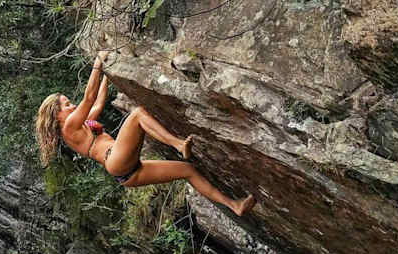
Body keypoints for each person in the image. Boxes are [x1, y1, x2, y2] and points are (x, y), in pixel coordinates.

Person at [34, 51, 255, 216]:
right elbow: (89, 96)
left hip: (126, 173)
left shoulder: (81, 123)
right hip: (115, 160)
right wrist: (98, 62)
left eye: (69, 103)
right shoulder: (69, 127)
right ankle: (178, 144)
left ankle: (234, 205)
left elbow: (99, 101)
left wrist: (108, 72)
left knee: (188, 170)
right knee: (138, 114)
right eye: (66, 105)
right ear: (56, 116)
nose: (71, 106)